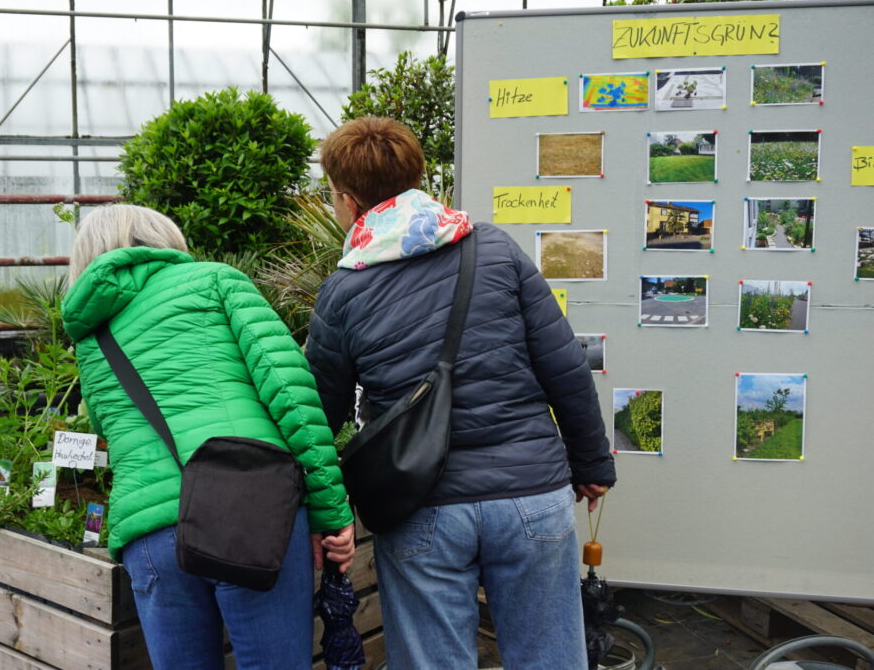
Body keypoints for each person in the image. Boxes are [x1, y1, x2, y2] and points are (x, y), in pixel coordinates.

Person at [306, 117, 615, 669]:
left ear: (349, 202)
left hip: (421, 504)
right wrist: (592, 462)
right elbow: (564, 363)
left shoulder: (343, 291)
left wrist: (318, 510)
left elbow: (319, 415)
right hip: (531, 494)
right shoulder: (493, 249)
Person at [62, 204, 355, 670]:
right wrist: (330, 512)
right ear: (163, 237)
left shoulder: (91, 339)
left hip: (149, 532)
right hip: (248, 508)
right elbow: (292, 397)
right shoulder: (215, 282)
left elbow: (107, 428)